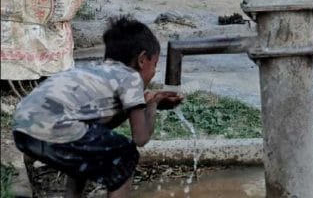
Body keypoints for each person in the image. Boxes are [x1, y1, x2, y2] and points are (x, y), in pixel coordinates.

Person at [12, 16, 184, 198]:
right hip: (53, 128)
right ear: (142, 60)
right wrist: (152, 104)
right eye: (154, 64)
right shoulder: (131, 76)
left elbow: (99, 128)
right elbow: (140, 138)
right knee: (125, 155)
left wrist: (138, 106)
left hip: (22, 128)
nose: (154, 72)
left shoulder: (93, 71)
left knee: (90, 148)